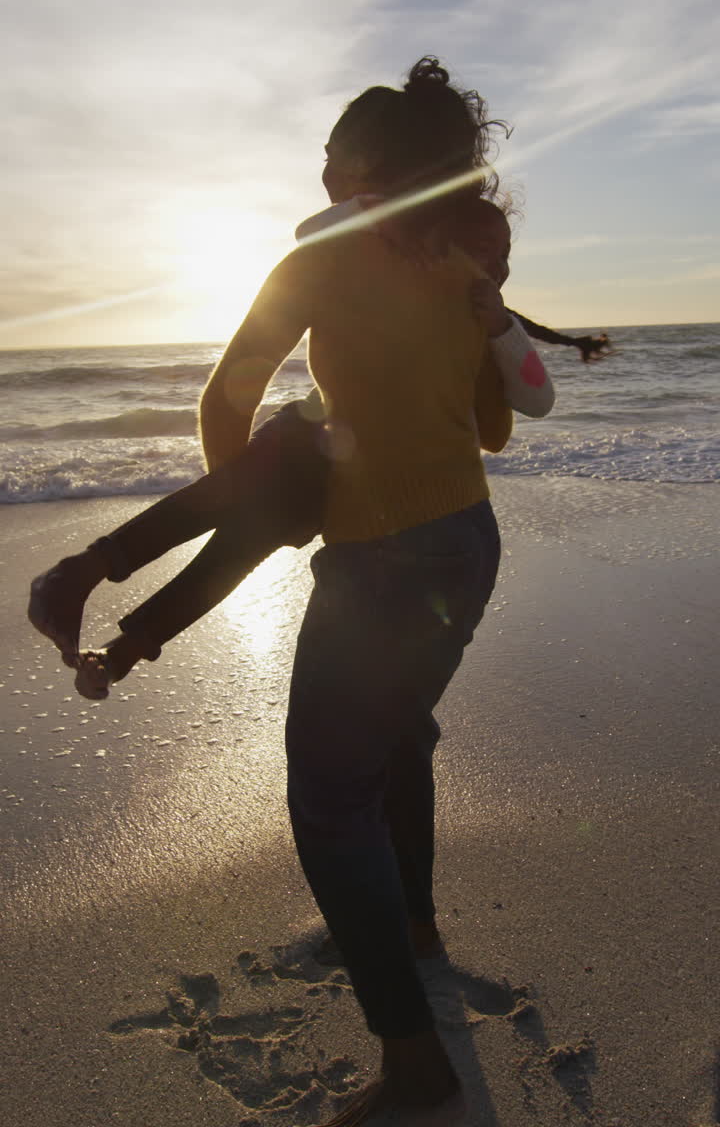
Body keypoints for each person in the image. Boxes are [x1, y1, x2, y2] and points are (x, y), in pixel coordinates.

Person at [30, 57, 557, 1124]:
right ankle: (410, 921)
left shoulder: (318, 251)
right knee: (398, 728)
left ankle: (413, 1061)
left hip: (383, 560)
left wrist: (248, 495)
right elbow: (495, 422)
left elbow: (229, 386)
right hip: (468, 541)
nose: (317, 165)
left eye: (329, 147)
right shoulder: (466, 254)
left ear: (366, 159)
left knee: (325, 798)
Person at [29, 195, 555, 701]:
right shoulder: (383, 269)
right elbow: (324, 232)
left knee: (236, 553)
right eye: (484, 245)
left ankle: (115, 642)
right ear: (438, 236)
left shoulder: (480, 320)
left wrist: (496, 332)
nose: (498, 262)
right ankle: (82, 583)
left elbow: (509, 421)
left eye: (505, 250)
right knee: (227, 523)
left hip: (337, 475)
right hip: (307, 437)